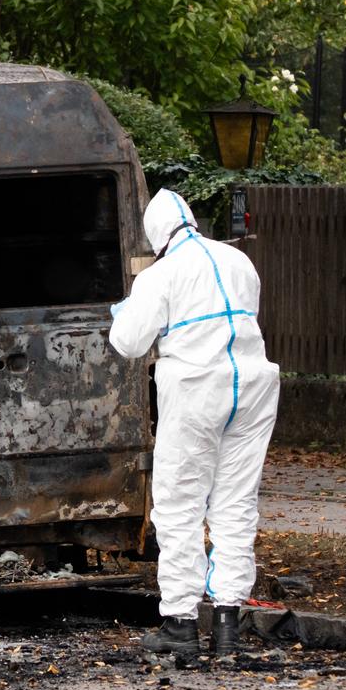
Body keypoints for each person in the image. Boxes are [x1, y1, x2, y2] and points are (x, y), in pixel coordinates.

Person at [108, 188, 280, 659]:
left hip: (196, 389)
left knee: (179, 503)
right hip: (252, 387)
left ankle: (180, 624)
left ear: (155, 236)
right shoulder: (239, 262)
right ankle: (228, 624)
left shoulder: (160, 274)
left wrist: (124, 310)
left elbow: (127, 342)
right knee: (235, 502)